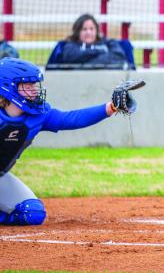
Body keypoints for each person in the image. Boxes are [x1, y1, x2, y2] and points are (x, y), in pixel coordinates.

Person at [0, 58, 138, 226]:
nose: (35, 91)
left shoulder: (39, 115)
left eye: (35, 85)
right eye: (27, 86)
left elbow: (71, 119)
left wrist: (111, 107)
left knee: (33, 212)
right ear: (8, 88)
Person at [58, 13, 129, 68]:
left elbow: (119, 56)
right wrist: (99, 52)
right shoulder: (70, 45)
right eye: (84, 29)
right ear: (77, 31)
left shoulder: (109, 43)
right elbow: (70, 58)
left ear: (97, 30)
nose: (88, 32)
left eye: (91, 29)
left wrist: (87, 65)